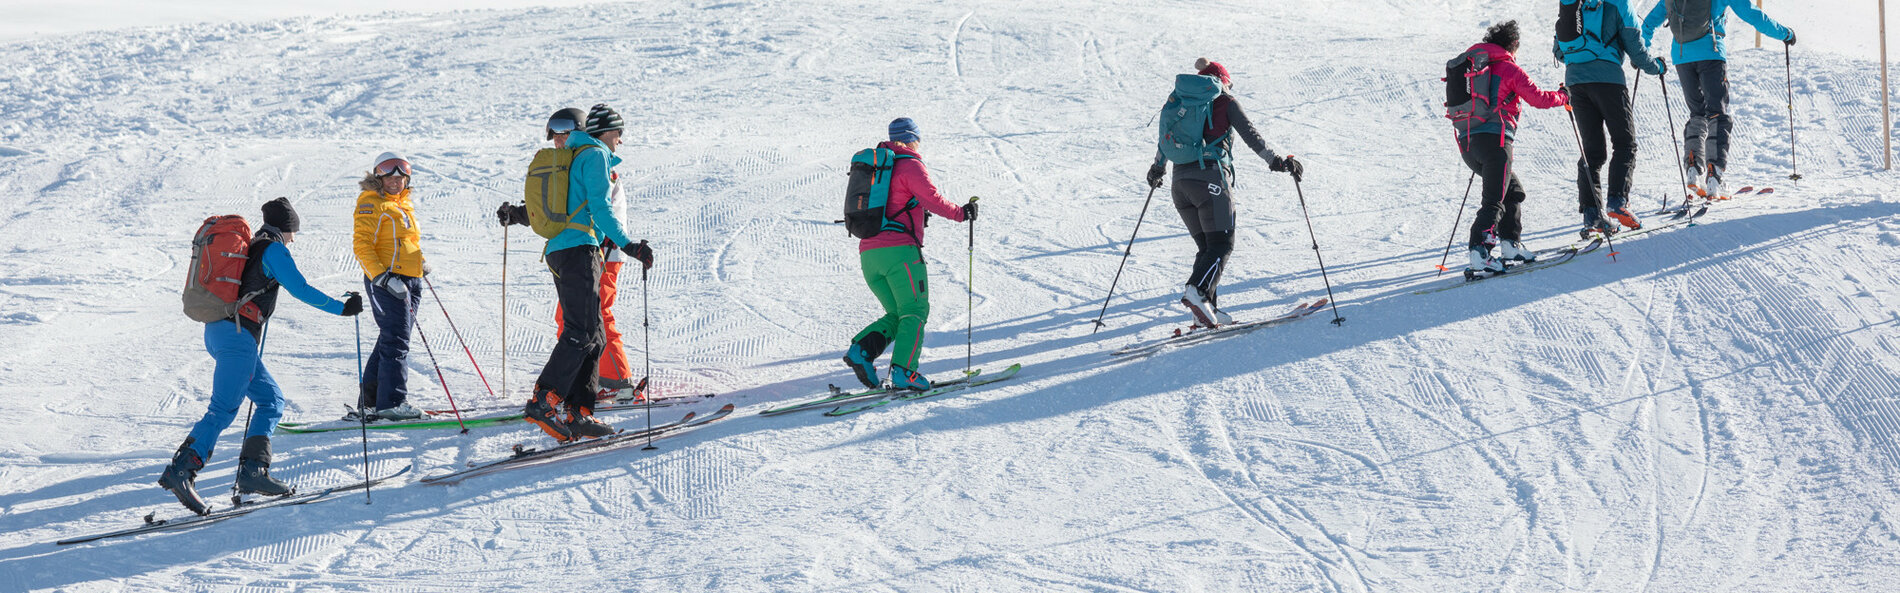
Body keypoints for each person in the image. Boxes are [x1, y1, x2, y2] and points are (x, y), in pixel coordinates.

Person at [159, 198, 363, 515]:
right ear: (286, 228)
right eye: (293, 231)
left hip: (223, 334)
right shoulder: (272, 250)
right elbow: (301, 289)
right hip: (236, 337)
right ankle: (182, 470)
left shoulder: (253, 246)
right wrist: (343, 308)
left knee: (271, 400)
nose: (294, 238)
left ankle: (252, 473)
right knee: (223, 410)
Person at [520, 103, 653, 442]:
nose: (619, 140)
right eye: (617, 133)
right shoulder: (592, 154)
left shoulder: (575, 154)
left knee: (593, 333)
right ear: (602, 132)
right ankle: (544, 399)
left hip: (568, 250)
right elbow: (600, 207)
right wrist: (629, 245)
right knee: (580, 331)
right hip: (578, 250)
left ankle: (580, 412)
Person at [1145, 58, 1302, 326]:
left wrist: (1157, 169)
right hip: (1211, 180)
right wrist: (1276, 161)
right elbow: (1251, 134)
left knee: (1207, 248)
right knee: (1222, 244)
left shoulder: (1180, 104)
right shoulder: (1226, 103)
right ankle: (1198, 291)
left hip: (1180, 184)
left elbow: (1165, 140)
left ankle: (1206, 311)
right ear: (1221, 82)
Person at [499, 108, 640, 401]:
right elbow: (559, 209)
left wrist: (621, 244)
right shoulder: (571, 163)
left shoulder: (594, 162)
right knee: (569, 318)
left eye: (564, 134)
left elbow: (599, 209)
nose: (559, 141)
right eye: (555, 136)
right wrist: (517, 214)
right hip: (577, 251)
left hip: (603, 251)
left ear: (581, 132)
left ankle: (616, 381)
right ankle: (583, 383)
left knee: (594, 317)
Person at [839, 117, 976, 391]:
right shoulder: (909, 164)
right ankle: (905, 372)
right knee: (915, 310)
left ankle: (861, 351)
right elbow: (932, 199)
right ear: (913, 138)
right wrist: (962, 213)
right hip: (900, 254)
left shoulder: (877, 169)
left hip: (869, 254)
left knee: (896, 313)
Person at [1449, 21, 1569, 275]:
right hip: (1497, 143)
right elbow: (1538, 99)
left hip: (1468, 145)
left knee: (1512, 190)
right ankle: (1478, 251)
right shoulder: (1508, 68)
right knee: (1494, 200)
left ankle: (1509, 244)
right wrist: (1564, 97)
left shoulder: (1472, 67)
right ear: (1513, 44)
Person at [1642, 0, 1794, 199]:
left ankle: (1693, 169)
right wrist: (1785, 33)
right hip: (1711, 53)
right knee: (1717, 114)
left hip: (1681, 57)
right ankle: (1715, 177)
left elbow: (1648, 23)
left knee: (1697, 113)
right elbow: (1753, 15)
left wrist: (1642, 52)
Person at [1554, 0, 1667, 233]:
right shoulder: (1620, 4)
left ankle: (1592, 214)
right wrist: (1655, 67)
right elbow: (1635, 48)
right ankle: (1617, 201)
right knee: (1625, 144)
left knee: (1592, 152)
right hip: (1609, 81)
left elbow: (1559, 52)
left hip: (1576, 84)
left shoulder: (1574, 5)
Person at [352, 152, 427, 421]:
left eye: (401, 175)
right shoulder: (371, 203)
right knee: (396, 340)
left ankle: (371, 402)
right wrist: (382, 277)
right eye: (389, 174)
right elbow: (362, 246)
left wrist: (419, 263)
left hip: (410, 279)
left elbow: (404, 242)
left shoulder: (403, 205)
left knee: (391, 338)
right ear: (378, 176)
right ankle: (392, 402)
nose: (395, 180)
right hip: (387, 280)